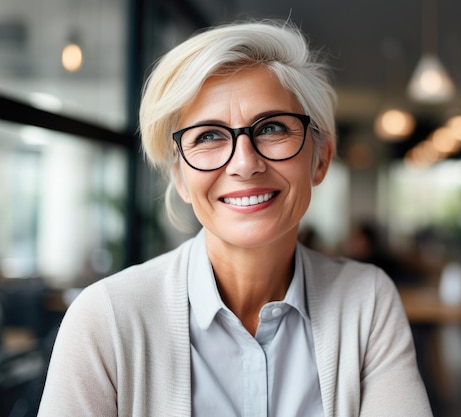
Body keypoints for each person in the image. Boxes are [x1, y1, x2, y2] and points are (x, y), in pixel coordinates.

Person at [37, 20, 432, 417]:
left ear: (321, 159)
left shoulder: (367, 301)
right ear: (181, 179)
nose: (245, 163)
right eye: (208, 136)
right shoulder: (106, 319)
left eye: (273, 127)